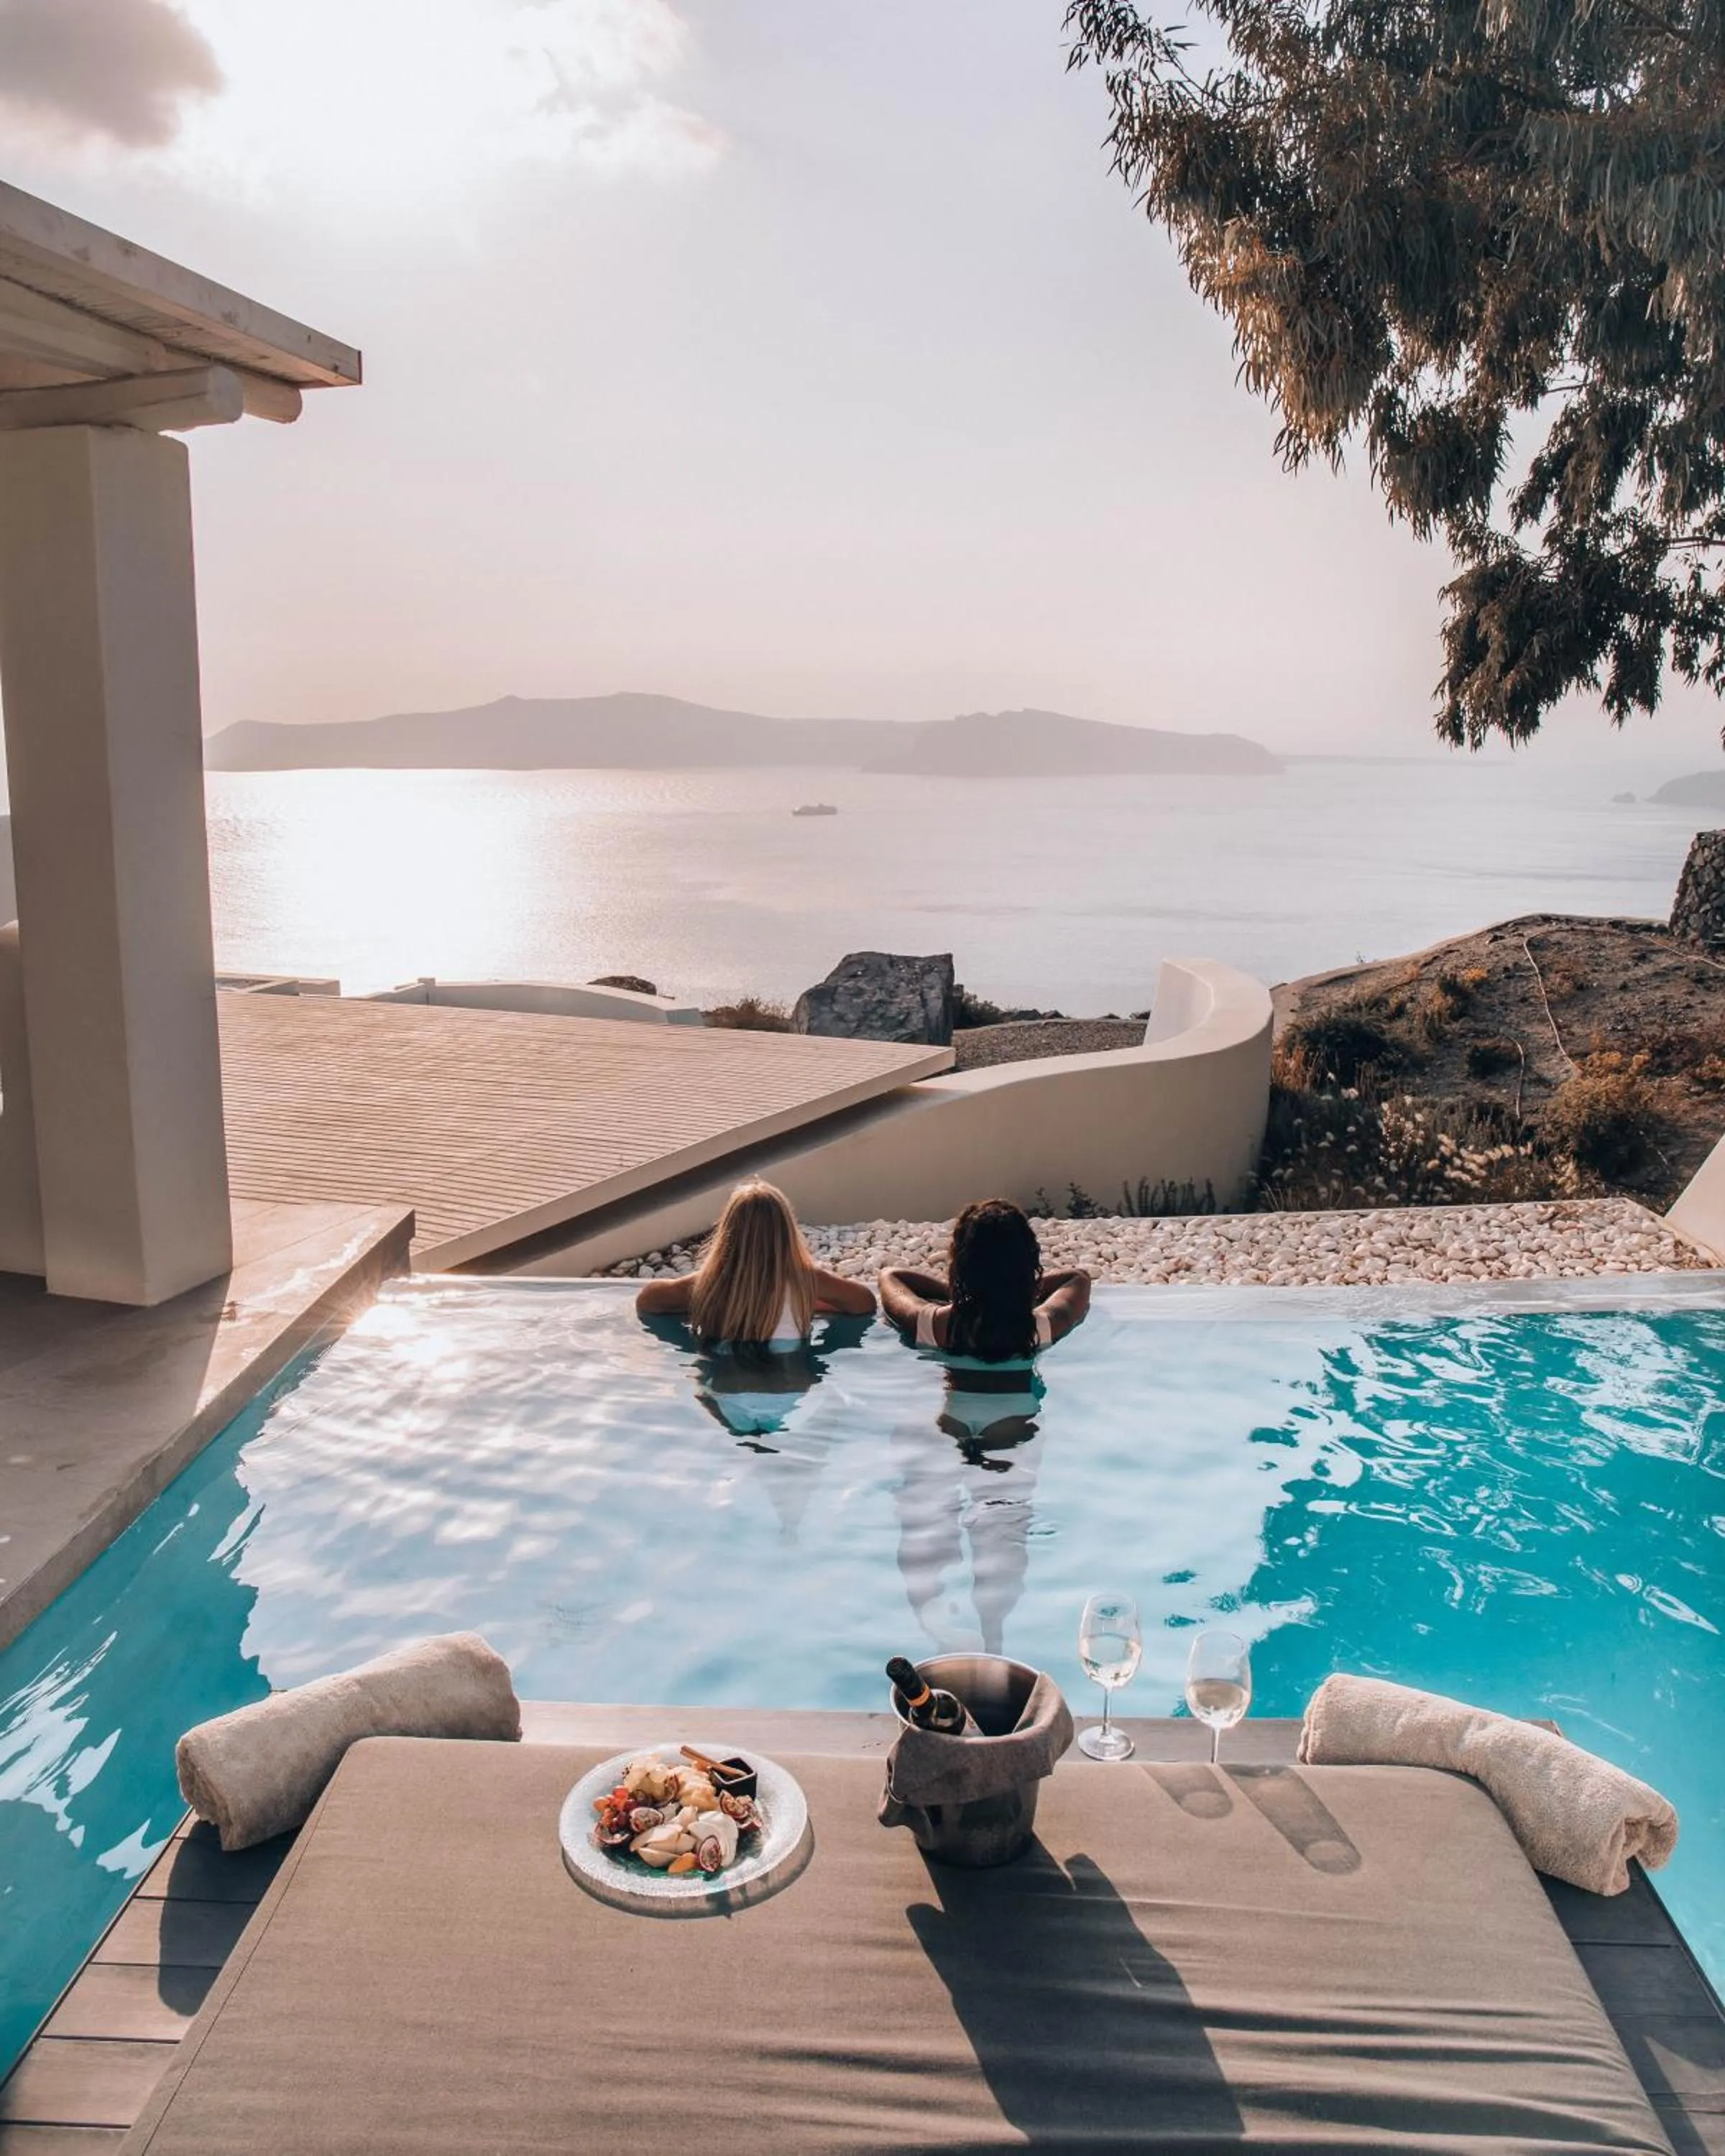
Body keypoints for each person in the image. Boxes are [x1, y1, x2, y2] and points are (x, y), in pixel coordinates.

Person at [635, 1179, 875, 1342]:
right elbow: (864, 1303)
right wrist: (807, 1303)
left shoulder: (706, 1284)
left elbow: (648, 1301)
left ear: (726, 1235)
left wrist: (700, 1305)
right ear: (787, 1234)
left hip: (723, 1385)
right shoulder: (807, 1281)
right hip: (789, 1382)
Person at [878, 1198, 1090, 1360]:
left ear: (961, 1263)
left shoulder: (931, 1325)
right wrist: (1020, 1288)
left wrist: (960, 1293)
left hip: (953, 1419)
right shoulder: (1047, 1325)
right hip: (1022, 1418)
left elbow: (890, 1276)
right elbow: (1078, 1277)